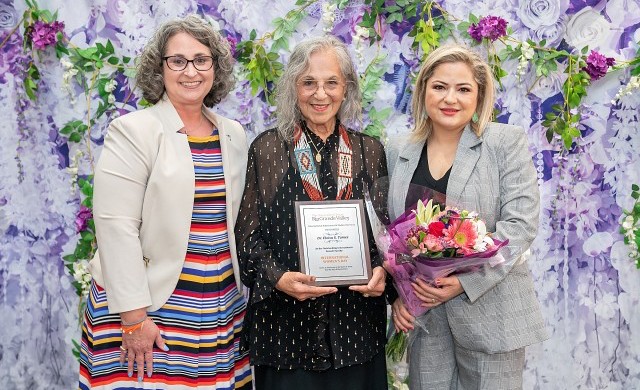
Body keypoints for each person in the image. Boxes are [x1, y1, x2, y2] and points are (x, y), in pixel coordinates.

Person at [79, 15, 251, 389]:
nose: (190, 71)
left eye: (201, 59)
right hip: (149, 307)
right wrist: (134, 319)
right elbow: (116, 225)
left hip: (219, 308)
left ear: (215, 67)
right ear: (160, 68)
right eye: (177, 60)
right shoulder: (134, 130)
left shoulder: (233, 133)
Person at [386, 44, 549, 389]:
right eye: (440, 87)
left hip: (492, 315)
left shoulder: (505, 143)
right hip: (426, 319)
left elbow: (519, 226)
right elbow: (394, 237)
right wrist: (400, 294)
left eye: (463, 89)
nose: (450, 99)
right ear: (423, 90)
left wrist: (464, 283)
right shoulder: (398, 149)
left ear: (479, 96)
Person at [234, 36, 388, 390]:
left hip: (355, 330)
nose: (321, 94)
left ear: (346, 88)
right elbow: (247, 237)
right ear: (293, 87)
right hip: (285, 331)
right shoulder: (268, 148)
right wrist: (278, 277)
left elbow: (385, 236)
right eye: (309, 82)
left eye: (331, 82)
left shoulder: (370, 150)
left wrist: (383, 272)